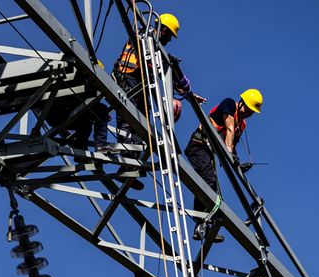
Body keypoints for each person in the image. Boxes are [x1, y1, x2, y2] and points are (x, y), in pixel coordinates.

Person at [184, 89, 264, 241]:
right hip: (198, 145)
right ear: (241, 102)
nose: (248, 113)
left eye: (252, 112)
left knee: (214, 189)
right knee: (209, 180)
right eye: (247, 109)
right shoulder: (229, 104)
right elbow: (229, 129)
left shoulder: (242, 125)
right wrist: (229, 154)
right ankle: (200, 223)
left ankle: (205, 226)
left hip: (209, 151)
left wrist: (237, 164)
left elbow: (231, 144)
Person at [111, 13, 197, 147]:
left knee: (143, 118)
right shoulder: (144, 33)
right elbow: (144, 50)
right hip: (127, 75)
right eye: (169, 35)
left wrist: (189, 96)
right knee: (128, 113)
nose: (169, 40)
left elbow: (170, 77)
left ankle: (135, 152)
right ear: (164, 30)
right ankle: (127, 149)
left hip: (139, 82)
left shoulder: (156, 48)